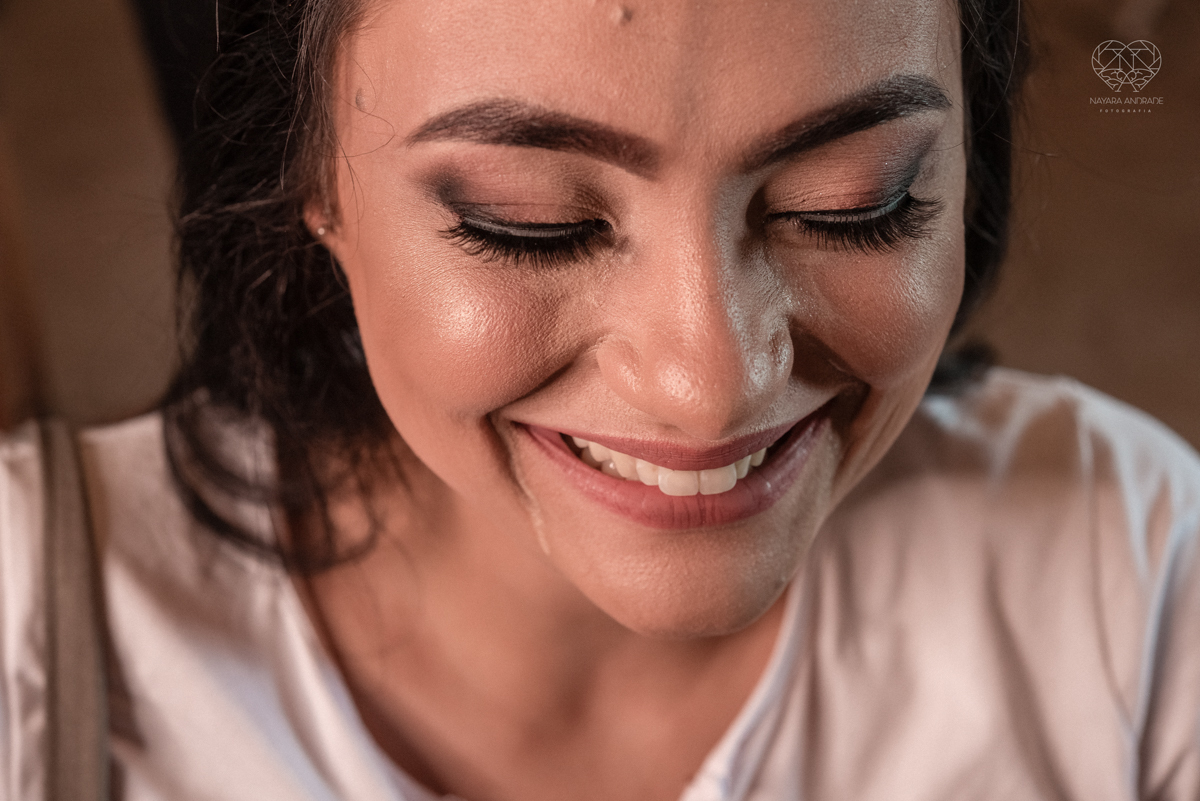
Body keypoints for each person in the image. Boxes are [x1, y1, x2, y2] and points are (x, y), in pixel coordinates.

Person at [2, 0, 1198, 799]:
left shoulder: (1126, 588)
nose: (710, 383)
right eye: (534, 226)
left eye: (854, 203)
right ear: (310, 180)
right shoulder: (34, 646)